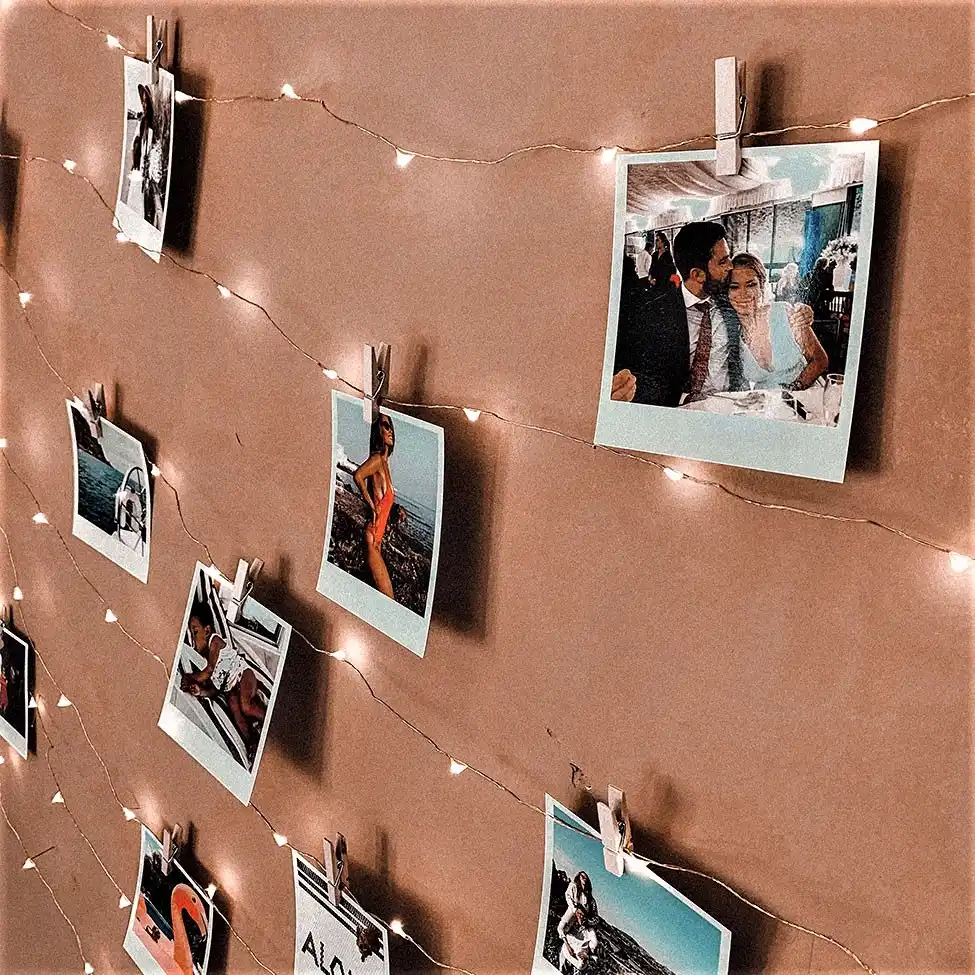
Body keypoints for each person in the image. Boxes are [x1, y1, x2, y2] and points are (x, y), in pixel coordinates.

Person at [612, 221, 744, 406]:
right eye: (723, 262)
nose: (731, 266)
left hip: (730, 406)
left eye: (729, 258)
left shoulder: (733, 303)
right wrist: (683, 398)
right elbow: (639, 376)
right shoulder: (653, 313)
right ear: (697, 275)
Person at [179, 600, 267, 762]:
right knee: (235, 711)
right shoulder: (203, 662)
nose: (193, 641)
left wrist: (191, 677)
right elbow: (214, 690)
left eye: (195, 632)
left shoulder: (215, 641)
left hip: (243, 674)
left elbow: (210, 669)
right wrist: (200, 691)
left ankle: (268, 722)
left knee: (246, 706)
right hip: (230, 689)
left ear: (206, 630)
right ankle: (252, 741)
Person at [728, 253, 827, 390]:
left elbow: (820, 360)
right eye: (734, 287)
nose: (743, 293)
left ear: (761, 286)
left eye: (751, 285)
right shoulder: (728, 331)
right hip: (762, 401)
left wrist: (793, 390)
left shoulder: (784, 313)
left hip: (804, 394)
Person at [352, 413, 402, 600]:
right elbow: (358, 476)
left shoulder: (385, 464)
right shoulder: (378, 460)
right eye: (385, 426)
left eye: (391, 427)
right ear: (377, 431)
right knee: (389, 599)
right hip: (372, 540)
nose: (390, 431)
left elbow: (382, 497)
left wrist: (397, 509)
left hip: (377, 542)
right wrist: (372, 507)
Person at [558, 907, 598, 973]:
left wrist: (587, 954)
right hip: (568, 948)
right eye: (581, 915)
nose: (583, 918)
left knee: (579, 967)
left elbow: (593, 944)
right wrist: (568, 947)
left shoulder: (589, 930)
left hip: (581, 953)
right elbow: (560, 930)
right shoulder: (571, 920)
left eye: (585, 917)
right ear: (577, 914)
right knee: (562, 967)